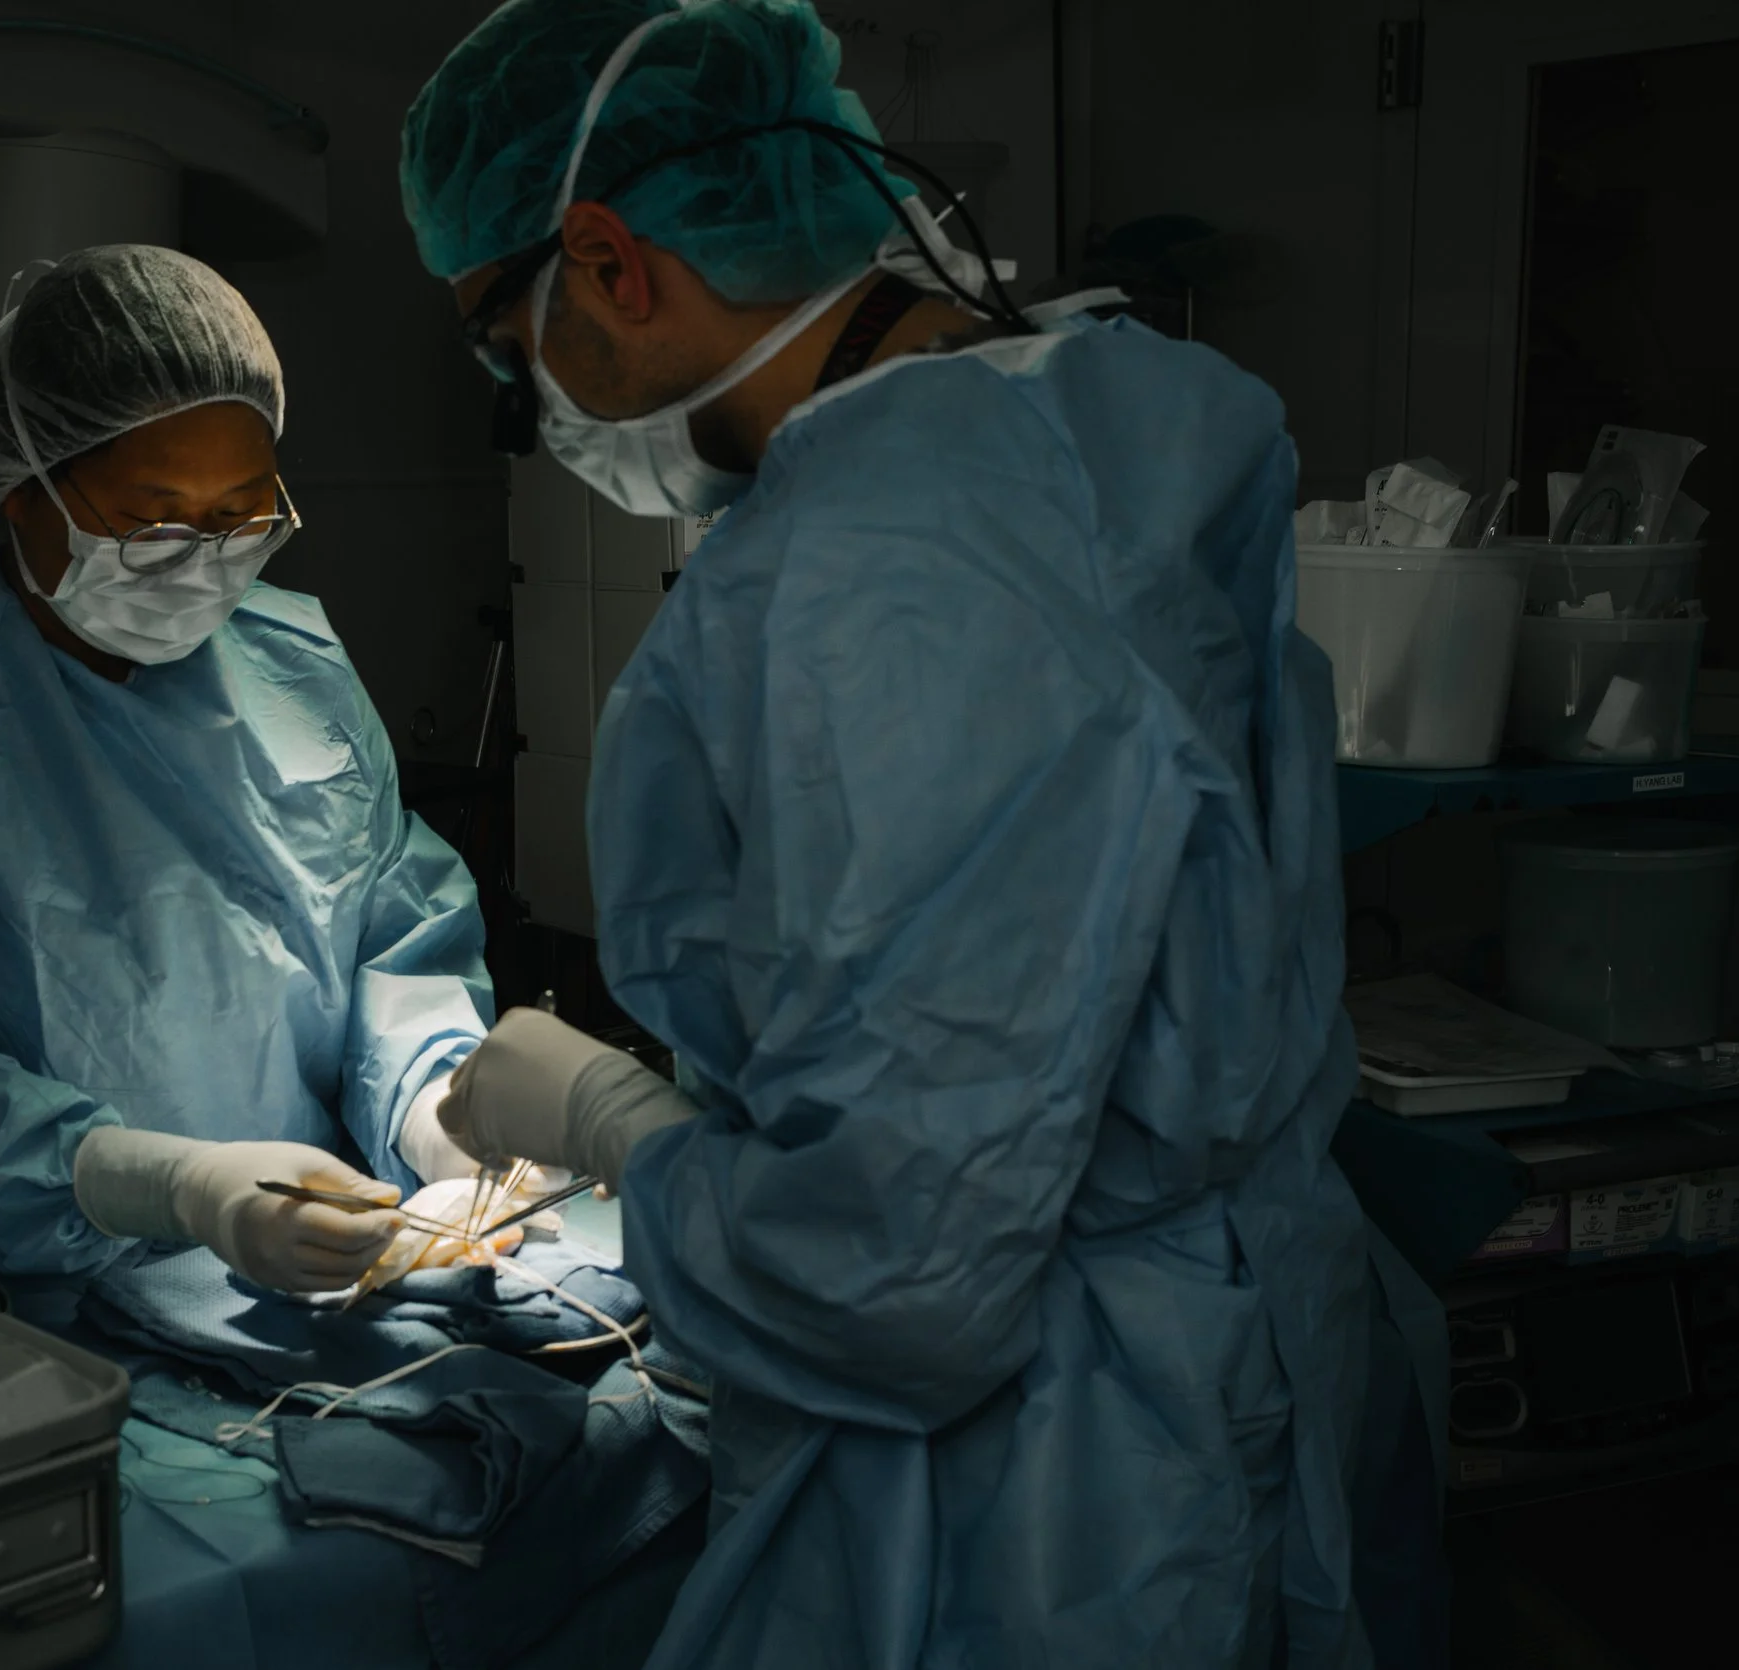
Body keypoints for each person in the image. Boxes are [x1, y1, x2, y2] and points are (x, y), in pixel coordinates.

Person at [402, 1, 1400, 1665]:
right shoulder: (1093, 414)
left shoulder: (903, 555)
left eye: (511, 343)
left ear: (606, 261)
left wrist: (621, 1127)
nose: (532, 394)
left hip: (1052, 1479)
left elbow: (902, 1266)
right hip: (1200, 1360)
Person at [0, 245, 502, 1327]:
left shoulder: (294, 665)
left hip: (312, 1263)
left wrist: (441, 1114)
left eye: (242, 513)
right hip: (22, 1301)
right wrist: (175, 1188)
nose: (207, 557)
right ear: (20, 486)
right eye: (157, 517)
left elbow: (393, 937)